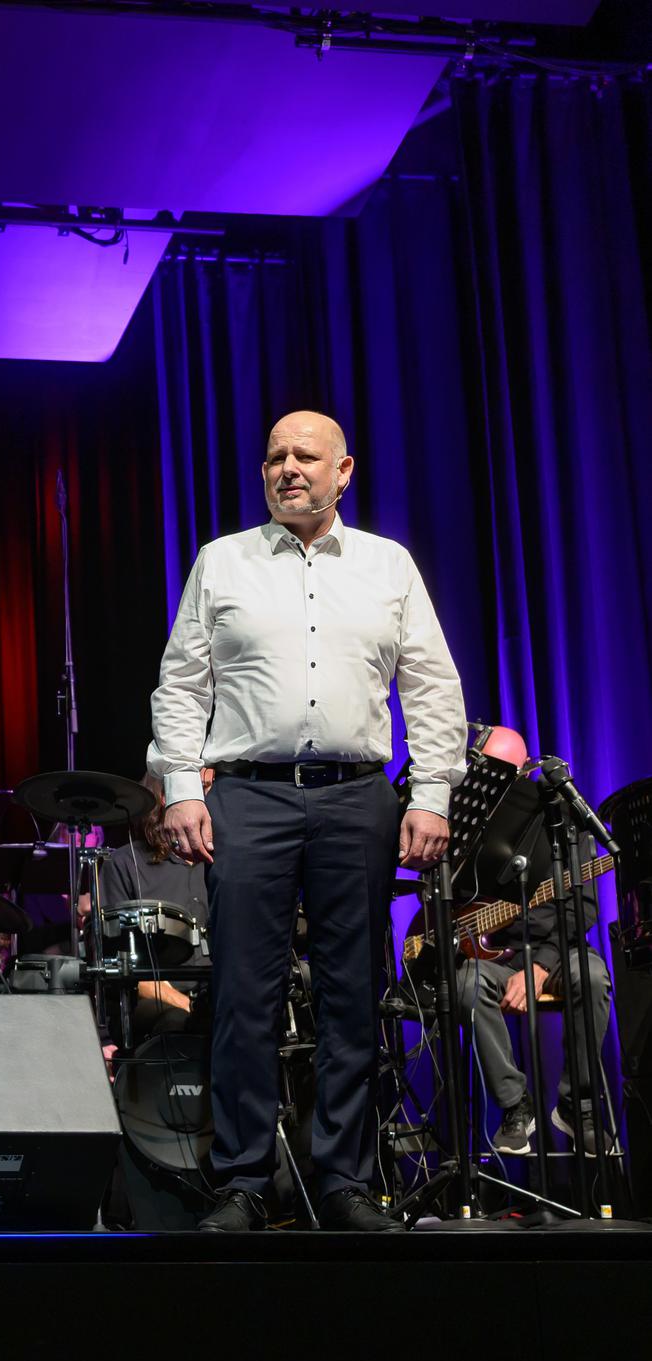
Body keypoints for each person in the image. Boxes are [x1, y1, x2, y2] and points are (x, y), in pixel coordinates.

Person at [151, 410, 463, 1234]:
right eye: (275, 457)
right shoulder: (223, 561)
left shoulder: (388, 565)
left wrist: (430, 795)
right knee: (243, 996)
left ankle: (345, 1181)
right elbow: (181, 684)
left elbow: (432, 685)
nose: (288, 468)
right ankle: (245, 1182)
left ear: (343, 471)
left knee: (353, 994)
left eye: (306, 456)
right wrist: (181, 786)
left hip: (357, 796)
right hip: (248, 795)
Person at [449, 725, 620, 1158]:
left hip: (560, 949)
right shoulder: (468, 823)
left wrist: (539, 966)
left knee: (593, 977)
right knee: (466, 985)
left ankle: (577, 1104)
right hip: (498, 954)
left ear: (524, 771)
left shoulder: (563, 820)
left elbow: (583, 908)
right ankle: (514, 1106)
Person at [92, 772, 212, 1038]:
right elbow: (122, 964)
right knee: (175, 1023)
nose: (210, 798)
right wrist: (187, 1005)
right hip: (157, 1003)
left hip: (218, 996)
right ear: (167, 796)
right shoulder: (126, 863)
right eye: (202, 788)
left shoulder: (224, 863)